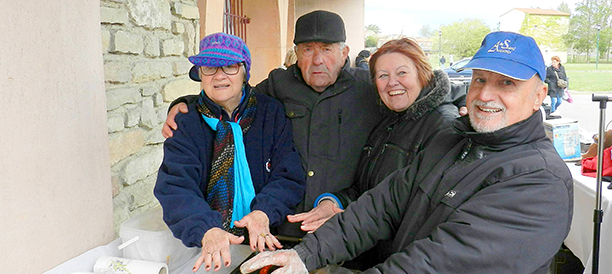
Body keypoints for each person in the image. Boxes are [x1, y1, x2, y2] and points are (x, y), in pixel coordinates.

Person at [239, 32, 574, 274]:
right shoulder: (454, 142)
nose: (486, 95)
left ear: (540, 94)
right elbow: (384, 204)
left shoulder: (539, 181)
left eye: (507, 84)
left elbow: (437, 272)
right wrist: (308, 253)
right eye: (479, 80)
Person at [161, 10, 468, 239]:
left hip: (346, 226)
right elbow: (229, 95)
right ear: (296, 55)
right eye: (308, 50)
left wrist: (460, 101)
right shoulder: (278, 86)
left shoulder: (369, 87)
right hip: (284, 228)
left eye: (327, 49)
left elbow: (415, 90)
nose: (317, 60)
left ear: (345, 53)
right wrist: (185, 104)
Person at [289, 38, 457, 271]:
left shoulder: (444, 127)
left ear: (423, 73)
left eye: (401, 72)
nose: (392, 83)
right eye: (383, 76)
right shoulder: (387, 121)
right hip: (368, 261)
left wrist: (349, 224)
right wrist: (332, 203)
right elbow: (366, 190)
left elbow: (420, 213)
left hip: (401, 270)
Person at [153, 33, 305, 273]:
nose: (220, 75)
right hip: (206, 249)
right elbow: (176, 186)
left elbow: (288, 174)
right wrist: (207, 229)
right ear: (200, 74)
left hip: (268, 239)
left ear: (245, 72)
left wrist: (264, 212)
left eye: (230, 66)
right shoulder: (186, 122)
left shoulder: (271, 113)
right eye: (210, 67)